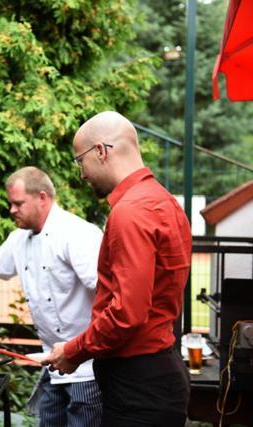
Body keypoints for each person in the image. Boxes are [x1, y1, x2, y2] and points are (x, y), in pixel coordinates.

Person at [40, 111, 192, 426]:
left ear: (101, 151)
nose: (81, 174)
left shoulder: (130, 212)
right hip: (157, 373)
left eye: (79, 160)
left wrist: (73, 350)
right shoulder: (165, 202)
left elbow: (127, 313)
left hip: (137, 385)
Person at [0, 166, 103, 427]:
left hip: (88, 370)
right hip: (54, 366)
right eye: (11, 203)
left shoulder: (77, 234)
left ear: (42, 197)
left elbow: (107, 292)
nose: (12, 210)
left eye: (18, 203)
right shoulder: (19, 240)